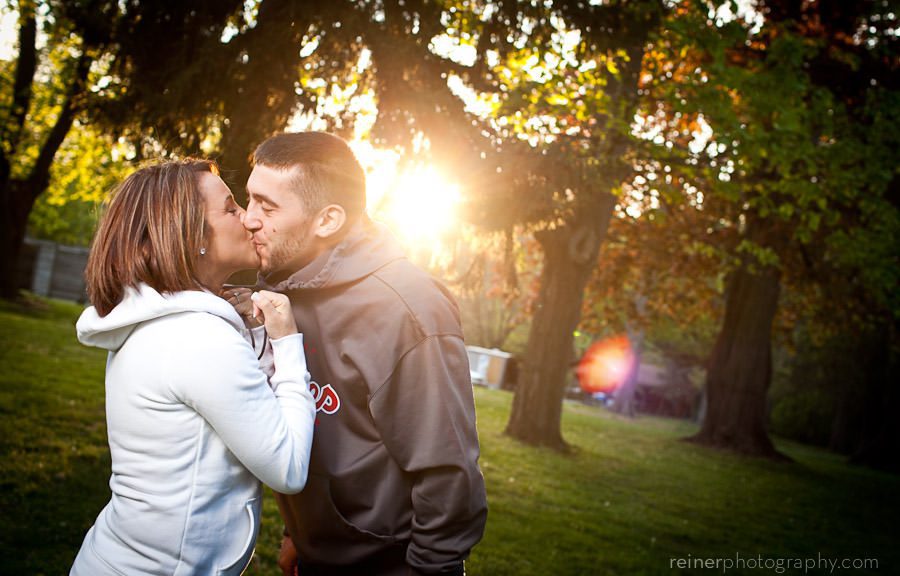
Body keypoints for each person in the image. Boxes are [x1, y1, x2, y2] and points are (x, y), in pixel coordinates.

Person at [243, 132, 488, 576]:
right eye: (249, 201)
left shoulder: (407, 307)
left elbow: (447, 471)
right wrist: (297, 533)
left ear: (327, 220)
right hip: (318, 553)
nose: (249, 219)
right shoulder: (282, 287)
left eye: (268, 206)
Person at [70, 160, 317, 576]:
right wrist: (287, 341)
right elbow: (288, 467)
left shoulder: (166, 321)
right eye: (231, 208)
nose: (250, 219)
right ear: (188, 234)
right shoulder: (199, 338)